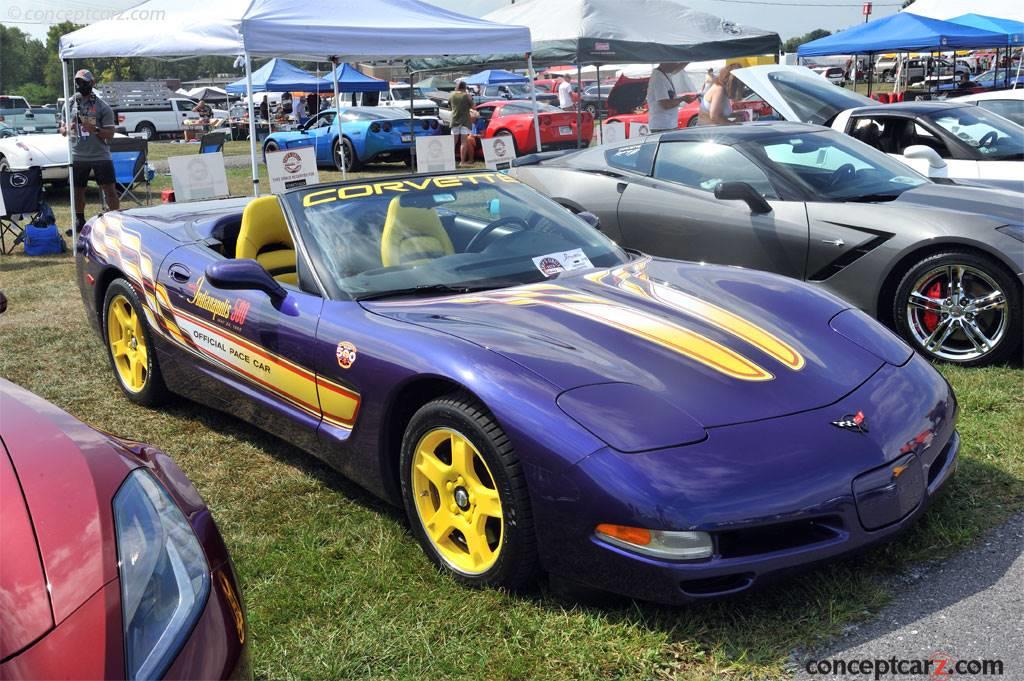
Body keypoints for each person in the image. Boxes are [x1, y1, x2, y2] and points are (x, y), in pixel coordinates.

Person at [59, 69, 117, 236]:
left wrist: (95, 129)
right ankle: (79, 220)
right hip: (78, 154)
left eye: (84, 82)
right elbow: (62, 128)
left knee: (110, 189)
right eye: (78, 82)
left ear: (92, 83)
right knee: (77, 190)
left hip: (100, 155)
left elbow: (110, 134)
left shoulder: (102, 106)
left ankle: (114, 221)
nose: (80, 85)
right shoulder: (69, 104)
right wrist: (66, 129)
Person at [645, 62, 694, 133]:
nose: (675, 66)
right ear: (666, 63)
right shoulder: (658, 78)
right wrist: (683, 99)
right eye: (674, 63)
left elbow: (676, 69)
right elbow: (665, 104)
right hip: (662, 127)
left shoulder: (665, 73)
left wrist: (688, 60)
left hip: (667, 125)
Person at [448, 81, 474, 167]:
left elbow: (450, 107)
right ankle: (462, 162)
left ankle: (449, 161)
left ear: (457, 87)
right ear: (464, 87)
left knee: (452, 143)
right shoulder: (466, 96)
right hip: (465, 121)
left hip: (454, 120)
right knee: (463, 142)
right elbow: (473, 106)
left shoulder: (451, 95)